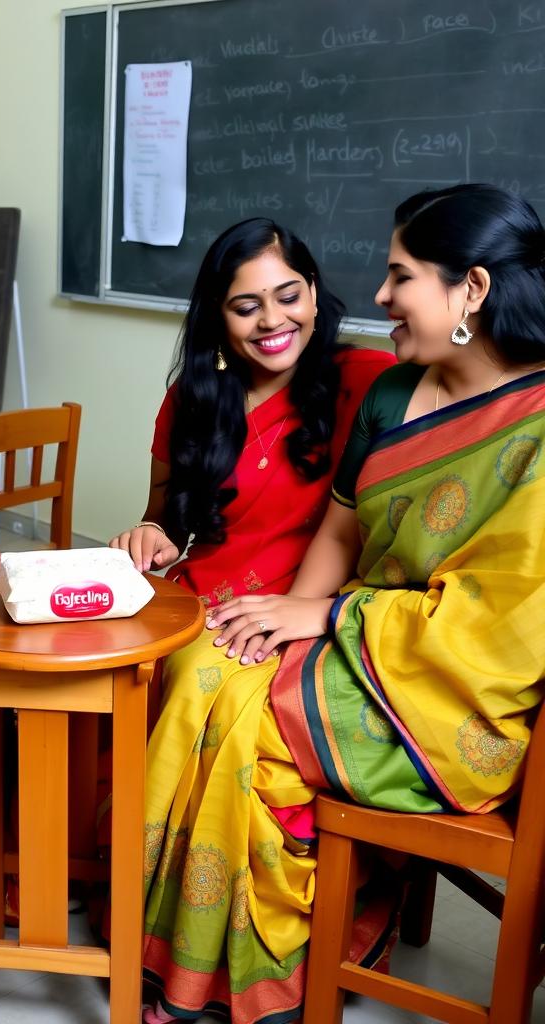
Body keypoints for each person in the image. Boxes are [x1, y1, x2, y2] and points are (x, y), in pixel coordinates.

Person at [142, 184, 545, 1024]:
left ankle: (284, 965)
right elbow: (338, 530)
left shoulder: (534, 420)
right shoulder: (398, 396)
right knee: (214, 680)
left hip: (455, 690)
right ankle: (194, 964)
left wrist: (320, 619)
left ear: (469, 289)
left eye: (400, 277)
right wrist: (284, 618)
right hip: (365, 641)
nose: (381, 296)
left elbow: (500, 626)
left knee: (248, 726)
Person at [110, 218, 393, 604]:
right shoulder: (192, 398)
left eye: (289, 298)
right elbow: (166, 524)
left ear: (311, 292)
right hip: (203, 603)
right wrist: (149, 534)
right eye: (246, 308)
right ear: (218, 316)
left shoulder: (370, 381)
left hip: (311, 607)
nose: (272, 320)